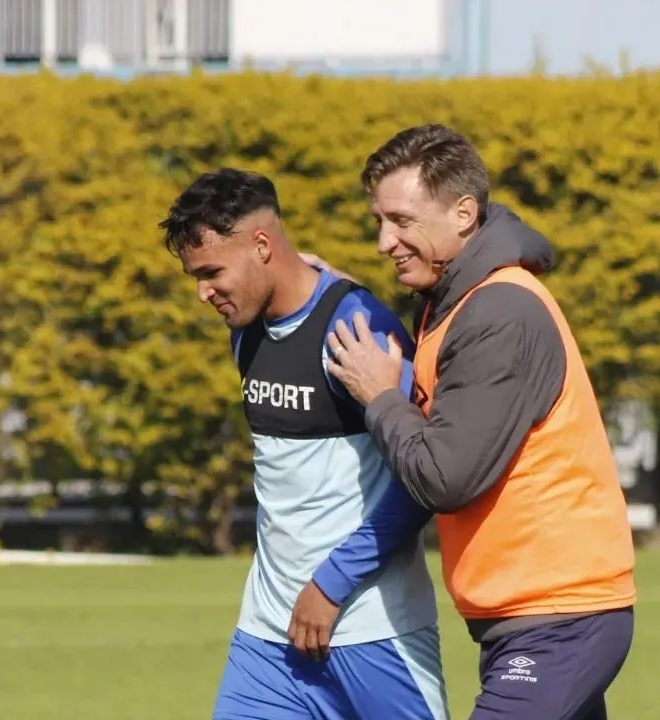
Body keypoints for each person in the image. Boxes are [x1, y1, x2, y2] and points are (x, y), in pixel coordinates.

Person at [322, 124, 638, 719]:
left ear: (464, 213)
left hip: (560, 618)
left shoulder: (499, 312)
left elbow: (446, 477)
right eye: (378, 221)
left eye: (402, 221)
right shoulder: (455, 300)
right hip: (532, 618)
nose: (384, 241)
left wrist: (378, 396)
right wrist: (318, 288)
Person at [159, 168, 449, 720]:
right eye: (194, 276)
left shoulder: (359, 329)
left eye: (212, 271)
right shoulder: (245, 330)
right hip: (267, 638)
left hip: (371, 632)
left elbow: (424, 477)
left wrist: (329, 585)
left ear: (262, 245)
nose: (203, 292)